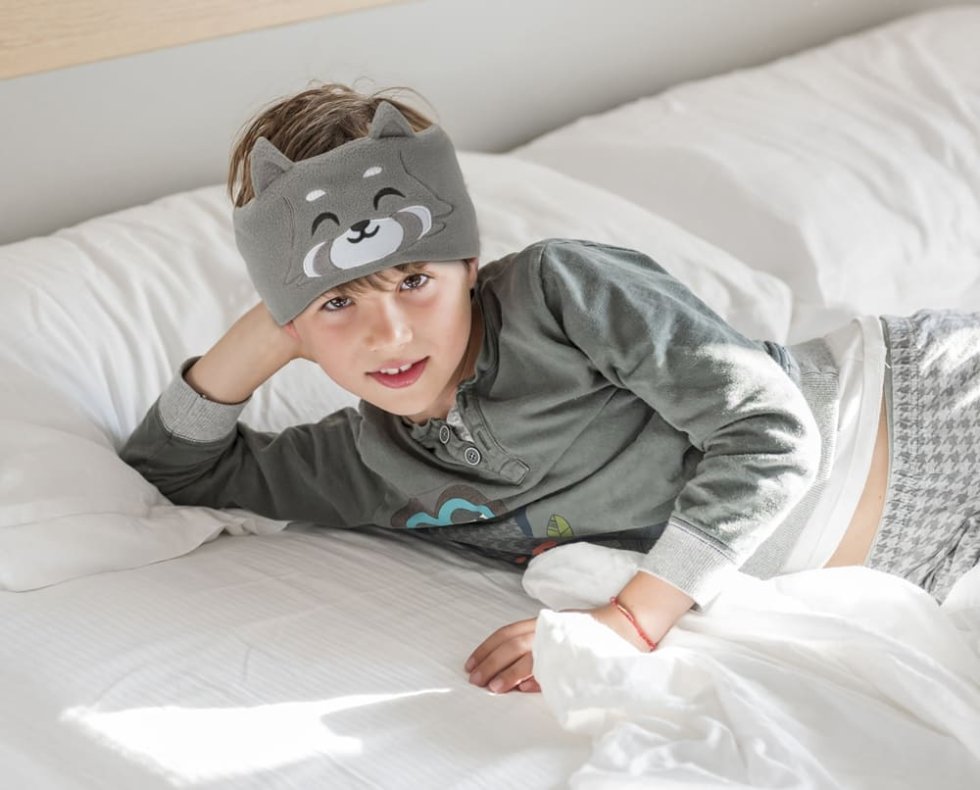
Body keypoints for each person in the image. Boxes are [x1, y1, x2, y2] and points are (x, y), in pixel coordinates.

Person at [120, 81, 980, 696]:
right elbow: (177, 470)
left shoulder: (557, 291)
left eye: (414, 280)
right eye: (338, 303)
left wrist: (631, 622)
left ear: (468, 264)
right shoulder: (365, 465)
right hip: (919, 569)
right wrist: (264, 336)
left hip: (928, 412)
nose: (389, 333)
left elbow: (770, 432)